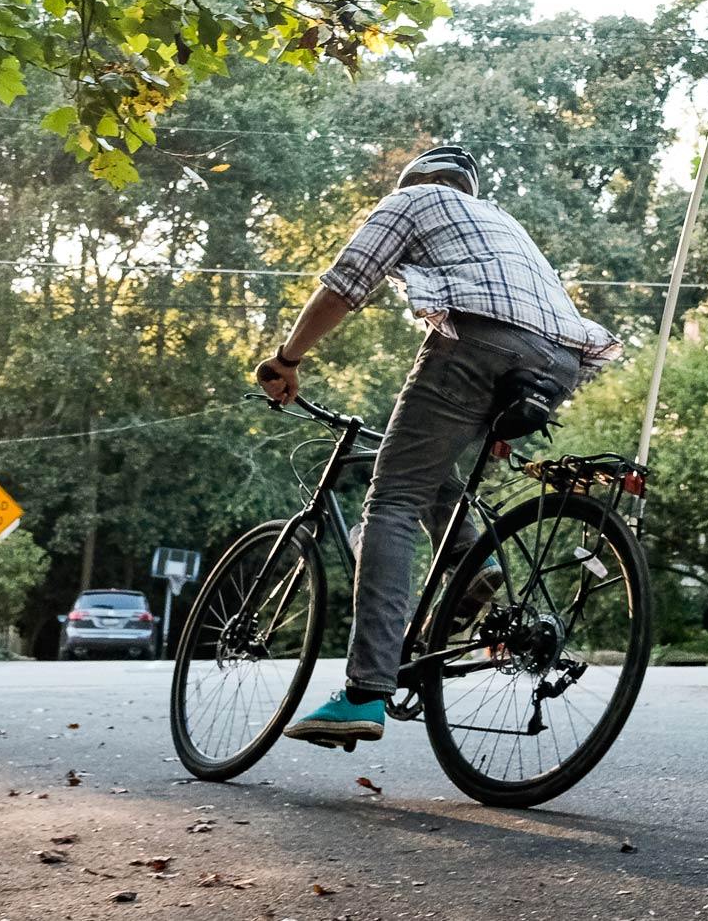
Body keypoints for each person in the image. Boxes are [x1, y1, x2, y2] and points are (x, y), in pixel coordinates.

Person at [256, 144, 619, 749]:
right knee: (427, 469)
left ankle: (364, 693)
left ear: (416, 179)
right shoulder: (504, 225)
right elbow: (528, 317)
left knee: (391, 501)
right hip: (557, 364)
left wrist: (287, 359)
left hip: (480, 346)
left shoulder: (414, 200)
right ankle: (473, 568)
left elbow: (347, 284)